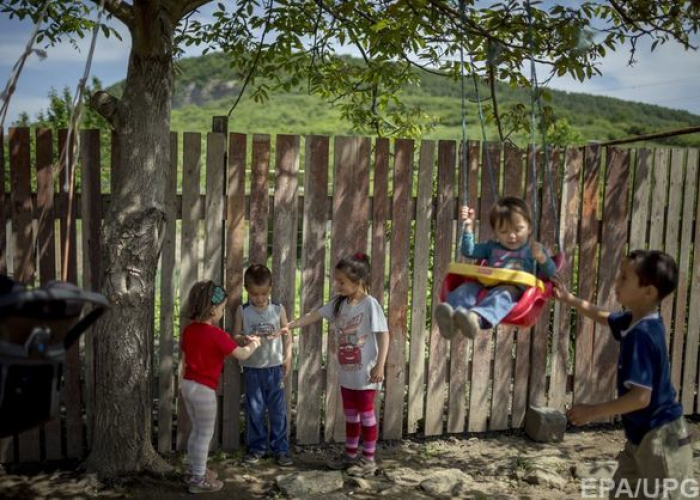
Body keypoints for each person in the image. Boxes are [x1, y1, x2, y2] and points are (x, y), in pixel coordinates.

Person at [554, 250, 694, 500]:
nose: (616, 283)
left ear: (648, 291)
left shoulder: (643, 335)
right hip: (641, 438)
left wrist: (592, 411)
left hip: (662, 441)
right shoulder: (636, 320)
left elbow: (640, 398)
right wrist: (569, 299)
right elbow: (605, 317)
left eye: (624, 278)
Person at [278, 253, 389, 477]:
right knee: (350, 415)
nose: (336, 285)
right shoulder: (339, 303)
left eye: (341, 282)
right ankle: (350, 455)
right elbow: (315, 315)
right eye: (336, 280)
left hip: (366, 374)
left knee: (366, 414)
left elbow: (384, 334)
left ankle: (368, 459)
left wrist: (380, 365)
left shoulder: (370, 304)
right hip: (347, 372)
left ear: (358, 282)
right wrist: (290, 325)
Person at [180, 280, 261, 494]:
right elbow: (242, 354)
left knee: (196, 431)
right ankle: (198, 479)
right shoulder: (216, 335)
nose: (223, 313)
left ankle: (193, 469)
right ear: (213, 309)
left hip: (188, 385)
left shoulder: (189, 331)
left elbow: (184, 359)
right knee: (204, 433)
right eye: (223, 308)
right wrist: (254, 343)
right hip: (204, 391)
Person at [435, 196, 556, 339]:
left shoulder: (532, 251)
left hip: (514, 290)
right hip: (486, 285)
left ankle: (475, 319)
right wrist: (468, 227)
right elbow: (468, 251)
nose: (511, 236)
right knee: (467, 288)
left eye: (518, 229)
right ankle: (449, 318)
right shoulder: (491, 248)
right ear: (495, 232)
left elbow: (551, 272)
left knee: (502, 295)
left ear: (529, 228)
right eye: (504, 231)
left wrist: (542, 258)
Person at [233, 264, 293, 466]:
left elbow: (287, 334)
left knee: (278, 411)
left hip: (275, 369)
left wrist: (288, 357)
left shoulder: (278, 309)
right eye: (254, 294)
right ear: (246, 289)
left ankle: (280, 449)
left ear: (270, 288)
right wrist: (243, 339)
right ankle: (257, 448)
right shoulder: (243, 311)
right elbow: (236, 335)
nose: (259, 298)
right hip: (252, 369)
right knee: (255, 409)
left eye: (263, 293)